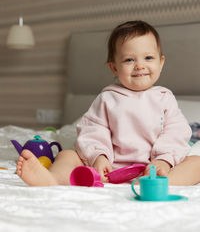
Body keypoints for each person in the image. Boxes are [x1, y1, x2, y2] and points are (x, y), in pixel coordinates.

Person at [17, 20, 200, 186]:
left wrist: (164, 160)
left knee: (196, 162)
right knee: (67, 155)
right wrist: (99, 157)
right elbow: (93, 130)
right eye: (129, 59)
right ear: (114, 67)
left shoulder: (164, 98)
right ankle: (53, 179)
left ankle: (163, 183)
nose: (140, 65)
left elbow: (175, 132)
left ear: (161, 63)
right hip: (110, 168)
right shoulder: (107, 98)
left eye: (148, 58)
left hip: (154, 168)